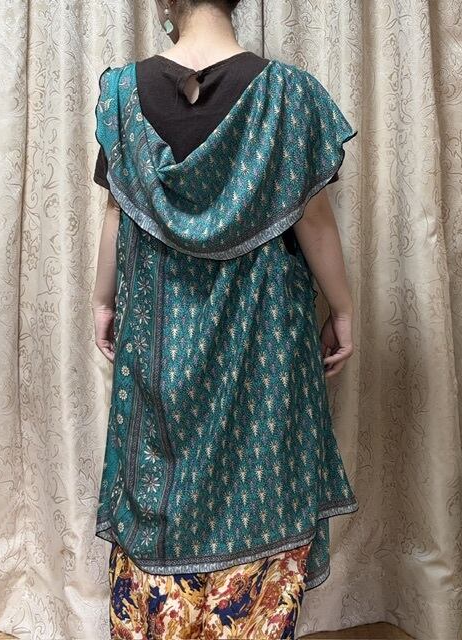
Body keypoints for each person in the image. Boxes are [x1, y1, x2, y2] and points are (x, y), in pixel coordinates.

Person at [90, 0, 359, 637]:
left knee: (158, 488)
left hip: (159, 336)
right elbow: (314, 220)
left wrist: (103, 301)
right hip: (264, 340)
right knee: (262, 490)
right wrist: (344, 307)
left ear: (165, 2)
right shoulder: (289, 97)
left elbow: (117, 212)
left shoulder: (123, 98)